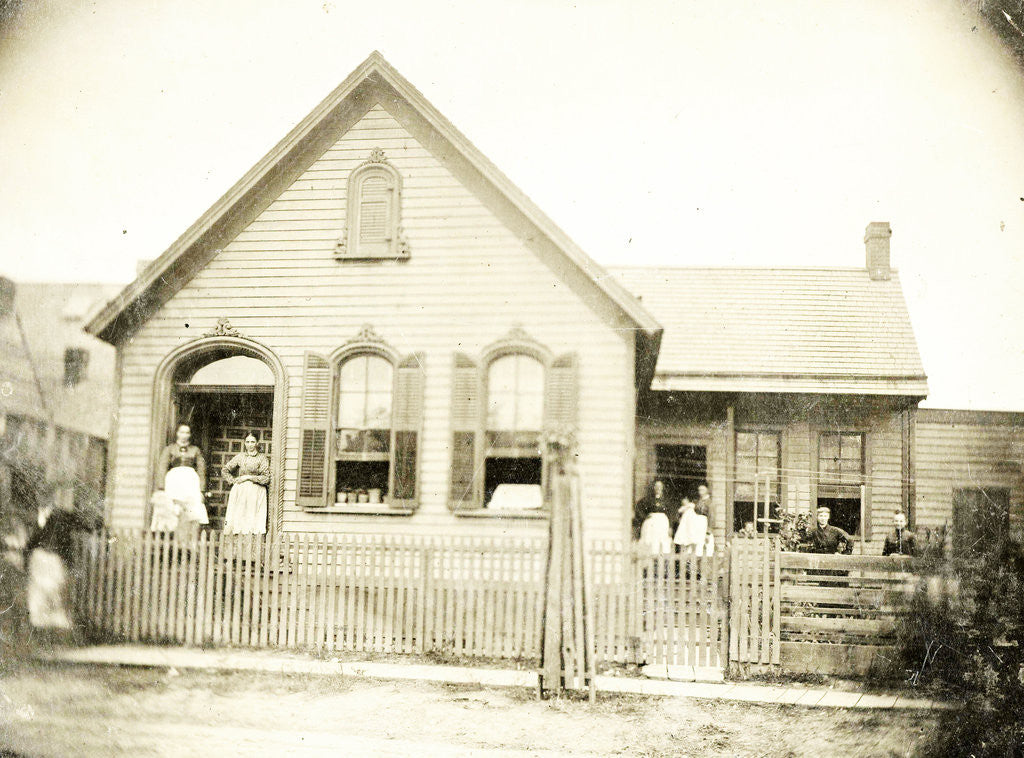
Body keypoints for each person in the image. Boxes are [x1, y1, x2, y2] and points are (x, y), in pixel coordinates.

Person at [24, 500, 90, 632]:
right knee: (54, 590)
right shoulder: (61, 526)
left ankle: (41, 623)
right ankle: (49, 623)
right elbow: (66, 549)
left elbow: (32, 543)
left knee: (43, 590)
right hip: (50, 558)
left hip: (41, 556)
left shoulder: (46, 523)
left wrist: (26, 560)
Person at [151, 423, 208, 539]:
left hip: (190, 482)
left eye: (187, 432)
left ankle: (186, 540)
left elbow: (202, 470)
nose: (184, 435)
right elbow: (162, 467)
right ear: (177, 433)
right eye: (181, 432)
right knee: (173, 509)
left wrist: (202, 490)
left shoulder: (195, 450)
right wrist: (161, 488)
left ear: (190, 434)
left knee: (191, 510)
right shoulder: (169, 449)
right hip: (174, 482)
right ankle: (171, 540)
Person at [222, 432, 271, 535]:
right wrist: (233, 480)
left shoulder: (262, 458)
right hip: (241, 491)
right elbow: (225, 470)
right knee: (239, 518)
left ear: (257, 443)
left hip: (256, 492)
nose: (250, 444)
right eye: (247, 442)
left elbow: (266, 478)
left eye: (252, 442)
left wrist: (248, 477)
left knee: (252, 519)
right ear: (244, 443)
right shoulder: (240, 456)